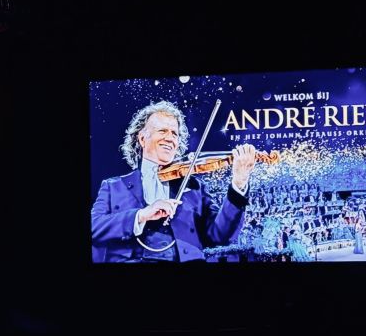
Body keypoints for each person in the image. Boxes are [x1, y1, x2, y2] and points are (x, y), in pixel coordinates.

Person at [90, 100, 259, 263]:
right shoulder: (113, 187)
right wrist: (141, 215)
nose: (170, 138)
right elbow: (94, 227)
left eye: (174, 133)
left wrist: (239, 182)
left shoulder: (195, 187)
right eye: (162, 131)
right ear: (142, 139)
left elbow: (220, 236)